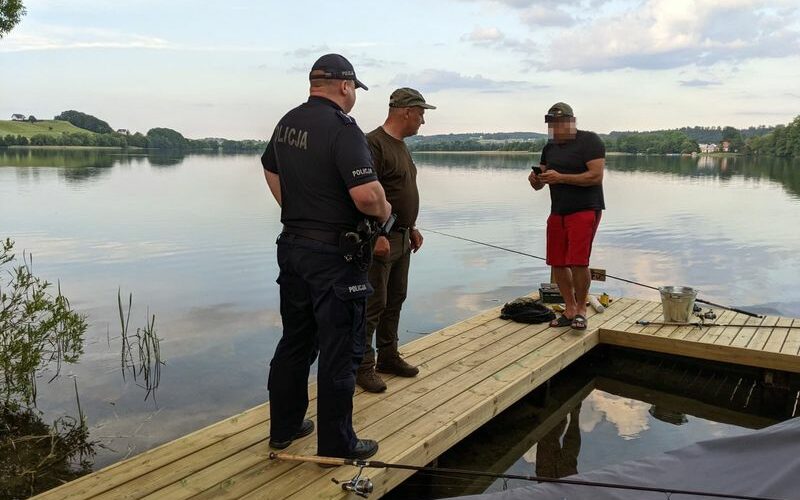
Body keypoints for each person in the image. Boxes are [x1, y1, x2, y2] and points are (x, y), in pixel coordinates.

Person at [261, 53, 392, 460]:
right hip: (335, 257)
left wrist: (298, 210)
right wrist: (388, 213)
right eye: (354, 90)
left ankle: (284, 428)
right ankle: (338, 443)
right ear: (345, 86)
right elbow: (366, 195)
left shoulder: (288, 122)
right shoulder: (343, 128)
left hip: (293, 246)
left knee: (295, 342)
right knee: (341, 349)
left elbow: (269, 169)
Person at [356, 88, 435, 393]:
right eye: (421, 113)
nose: (423, 121)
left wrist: (411, 225)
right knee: (373, 303)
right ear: (406, 111)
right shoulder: (372, 144)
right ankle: (363, 366)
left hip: (402, 237)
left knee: (395, 299)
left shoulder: (400, 146)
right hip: (381, 241)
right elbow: (361, 196)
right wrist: (375, 236)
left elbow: (400, 191)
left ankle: (388, 357)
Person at [529, 102, 605, 330]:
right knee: (557, 262)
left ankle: (582, 310)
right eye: (551, 124)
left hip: (585, 209)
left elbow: (595, 177)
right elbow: (540, 183)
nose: (554, 128)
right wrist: (536, 180)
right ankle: (569, 308)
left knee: (579, 262)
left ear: (571, 121)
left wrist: (561, 178)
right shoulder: (549, 147)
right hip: (557, 211)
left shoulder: (590, 141)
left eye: (559, 123)